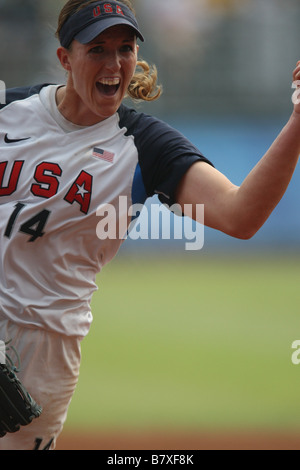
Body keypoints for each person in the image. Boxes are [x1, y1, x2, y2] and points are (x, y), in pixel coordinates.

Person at [0, 0, 299, 450]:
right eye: (97, 49)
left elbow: (240, 216)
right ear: (65, 58)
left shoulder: (144, 145)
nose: (114, 63)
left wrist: (298, 121)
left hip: (43, 351)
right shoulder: (9, 109)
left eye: (125, 48)